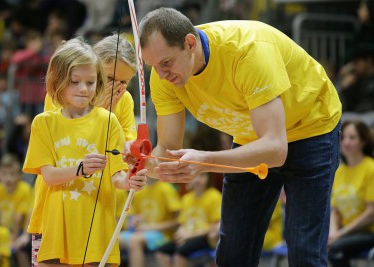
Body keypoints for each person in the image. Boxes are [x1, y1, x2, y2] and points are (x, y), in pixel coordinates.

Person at [136, 7, 342, 267]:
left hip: (313, 129)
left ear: (190, 43)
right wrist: (139, 167)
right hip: (253, 138)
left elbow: (275, 150)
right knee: (233, 252)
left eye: (166, 63)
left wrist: (203, 161)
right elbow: (166, 150)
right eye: (154, 66)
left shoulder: (248, 51)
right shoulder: (163, 76)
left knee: (304, 253)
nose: (162, 74)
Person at [22, 37, 147, 267]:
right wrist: (99, 104)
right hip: (55, 208)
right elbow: (68, 134)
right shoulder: (58, 97)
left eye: (124, 82)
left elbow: (123, 151)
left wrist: (133, 164)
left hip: (95, 210)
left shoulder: (123, 102)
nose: (116, 88)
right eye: (109, 78)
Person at [328, 120, 374, 267]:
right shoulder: (340, 171)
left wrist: (340, 234)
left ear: (363, 141)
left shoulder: (370, 169)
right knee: (320, 244)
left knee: (335, 248)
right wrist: (333, 232)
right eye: (343, 138)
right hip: (346, 233)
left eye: (352, 137)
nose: (346, 142)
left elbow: (371, 213)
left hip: (368, 232)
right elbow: (335, 210)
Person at [154, 173, 221, 267]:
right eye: (195, 176)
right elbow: (182, 222)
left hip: (204, 237)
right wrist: (180, 233)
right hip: (187, 235)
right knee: (161, 251)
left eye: (201, 176)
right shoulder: (187, 198)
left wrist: (189, 235)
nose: (197, 180)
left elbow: (214, 227)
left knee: (179, 253)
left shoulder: (214, 196)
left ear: (208, 178)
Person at [119, 179, 181, 267]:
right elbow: (136, 215)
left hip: (164, 234)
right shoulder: (139, 190)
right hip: (142, 231)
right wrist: (135, 220)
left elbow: (179, 221)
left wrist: (154, 227)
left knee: (134, 241)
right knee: (114, 239)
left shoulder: (166, 189)